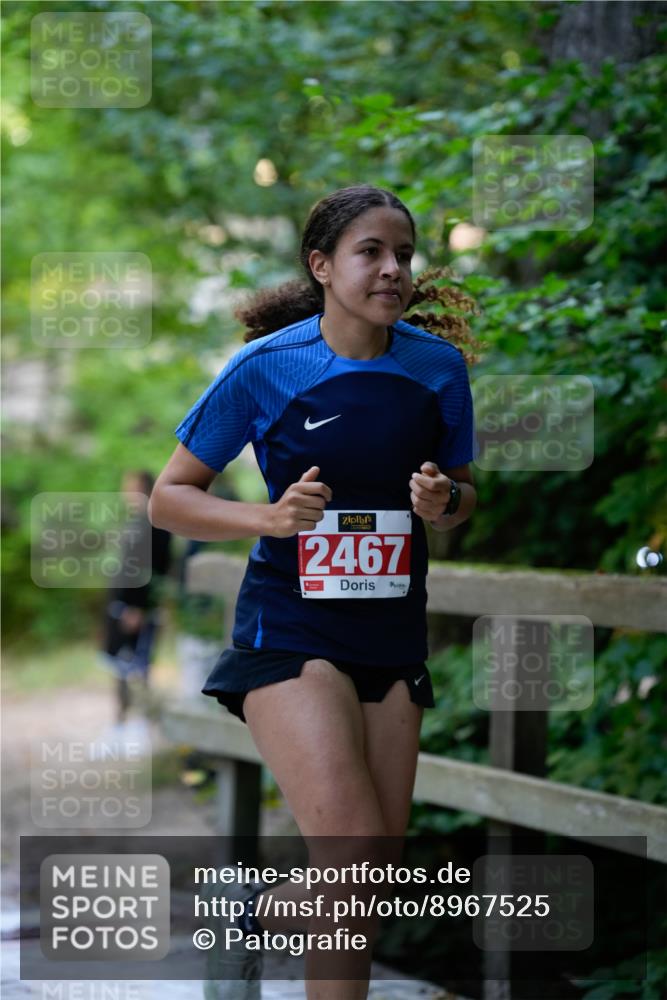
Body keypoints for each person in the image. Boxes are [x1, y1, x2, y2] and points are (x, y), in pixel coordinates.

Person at [149, 185, 477, 999]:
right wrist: (268, 514)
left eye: (403, 253)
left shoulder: (437, 369)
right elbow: (170, 497)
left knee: (363, 890)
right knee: (354, 855)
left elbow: (464, 496)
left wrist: (447, 504)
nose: (393, 268)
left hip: (392, 642)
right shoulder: (267, 367)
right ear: (322, 266)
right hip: (290, 632)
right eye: (371, 251)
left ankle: (252, 912)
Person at [101, 469, 172, 728]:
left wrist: (137, 606)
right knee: (120, 665)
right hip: (122, 605)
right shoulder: (137, 520)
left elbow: (152, 568)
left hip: (136, 607)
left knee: (136, 666)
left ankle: (145, 723)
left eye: (129, 486)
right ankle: (122, 721)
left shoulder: (153, 522)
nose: (125, 492)